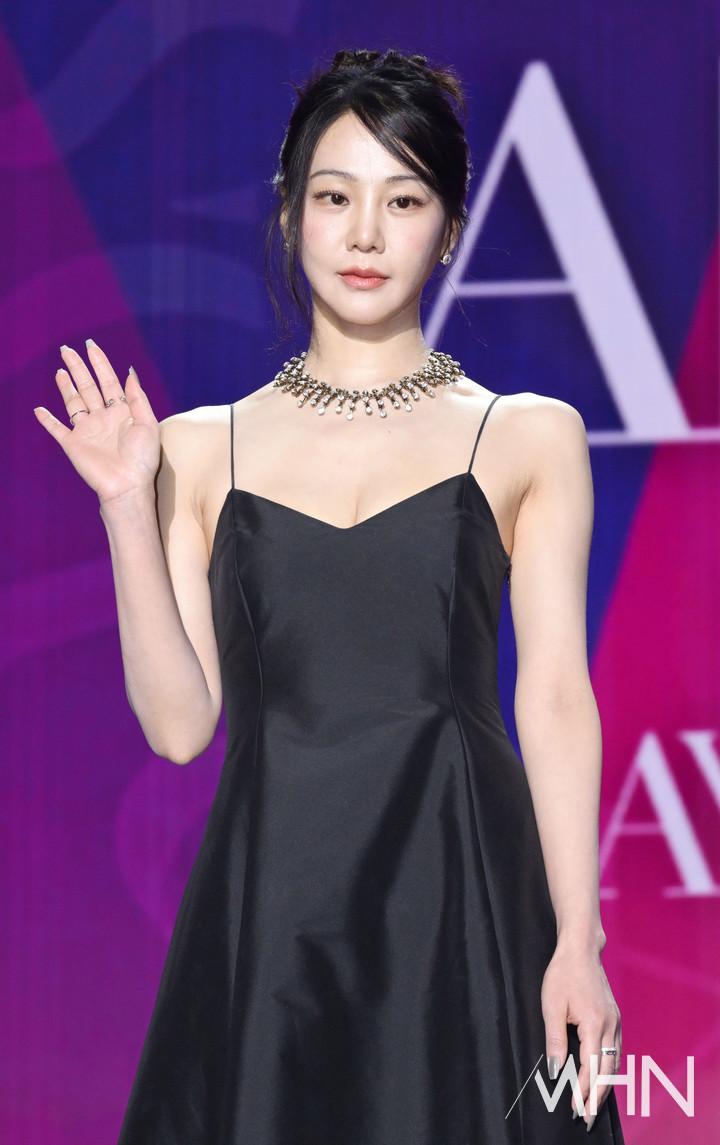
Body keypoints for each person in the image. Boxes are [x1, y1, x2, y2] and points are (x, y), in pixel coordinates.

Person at [33, 47, 625, 1145]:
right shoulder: (195, 447)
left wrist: (577, 937)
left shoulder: (528, 435)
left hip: (461, 893)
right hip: (274, 909)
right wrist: (125, 505)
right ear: (289, 213)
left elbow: (553, 695)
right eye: (334, 197)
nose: (364, 235)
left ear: (449, 229)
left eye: (404, 200)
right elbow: (178, 727)